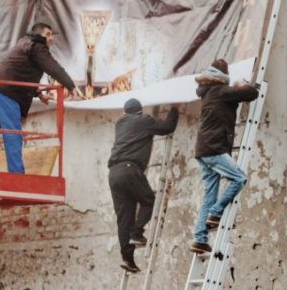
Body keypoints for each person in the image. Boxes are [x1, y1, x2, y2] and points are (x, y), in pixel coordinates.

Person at [0, 22, 80, 173]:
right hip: (7, 93)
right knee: (13, 135)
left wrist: (38, 93)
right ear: (39, 34)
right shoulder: (37, 46)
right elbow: (53, 68)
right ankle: (17, 176)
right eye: (48, 34)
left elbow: (19, 72)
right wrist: (71, 86)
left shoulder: (23, 43)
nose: (51, 38)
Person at [190, 59, 259, 254]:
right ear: (223, 76)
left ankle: (199, 239)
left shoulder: (207, 93)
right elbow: (252, 93)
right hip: (214, 149)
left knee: (209, 196)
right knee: (239, 178)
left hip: (203, 150)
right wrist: (241, 85)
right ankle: (215, 212)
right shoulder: (220, 91)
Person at [107, 98, 179, 273]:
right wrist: (175, 109)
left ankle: (127, 259)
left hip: (114, 174)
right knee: (149, 201)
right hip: (130, 170)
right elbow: (168, 127)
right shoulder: (144, 120)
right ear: (140, 111)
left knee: (124, 218)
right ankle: (137, 232)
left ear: (125, 112)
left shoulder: (119, 123)